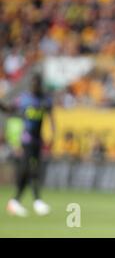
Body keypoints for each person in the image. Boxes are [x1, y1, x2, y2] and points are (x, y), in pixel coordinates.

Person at [0, 74, 55, 217]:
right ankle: (37, 200)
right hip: (27, 139)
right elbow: (9, 109)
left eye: (36, 84)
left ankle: (15, 201)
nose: (34, 87)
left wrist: (53, 135)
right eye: (33, 84)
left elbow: (51, 118)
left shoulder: (45, 100)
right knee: (31, 169)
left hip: (38, 140)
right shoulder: (24, 99)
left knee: (27, 171)